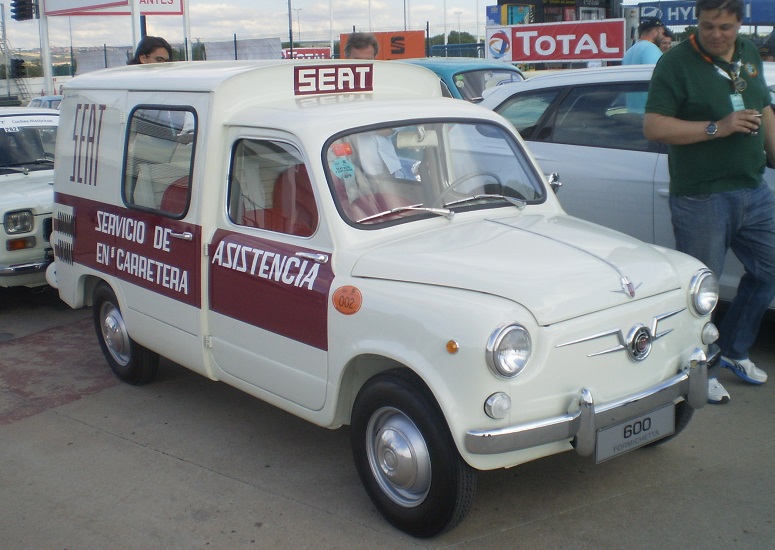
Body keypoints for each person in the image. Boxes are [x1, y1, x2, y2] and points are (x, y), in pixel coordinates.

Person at [644, 0, 775, 404]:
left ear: (741, 24)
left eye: (726, 27)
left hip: (753, 189)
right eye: (707, 26)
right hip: (702, 195)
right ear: (696, 22)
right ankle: (702, 369)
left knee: (769, 270)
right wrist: (720, 127)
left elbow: (765, 109)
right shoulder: (675, 63)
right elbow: (653, 126)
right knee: (703, 293)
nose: (716, 34)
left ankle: (734, 350)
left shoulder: (749, 52)